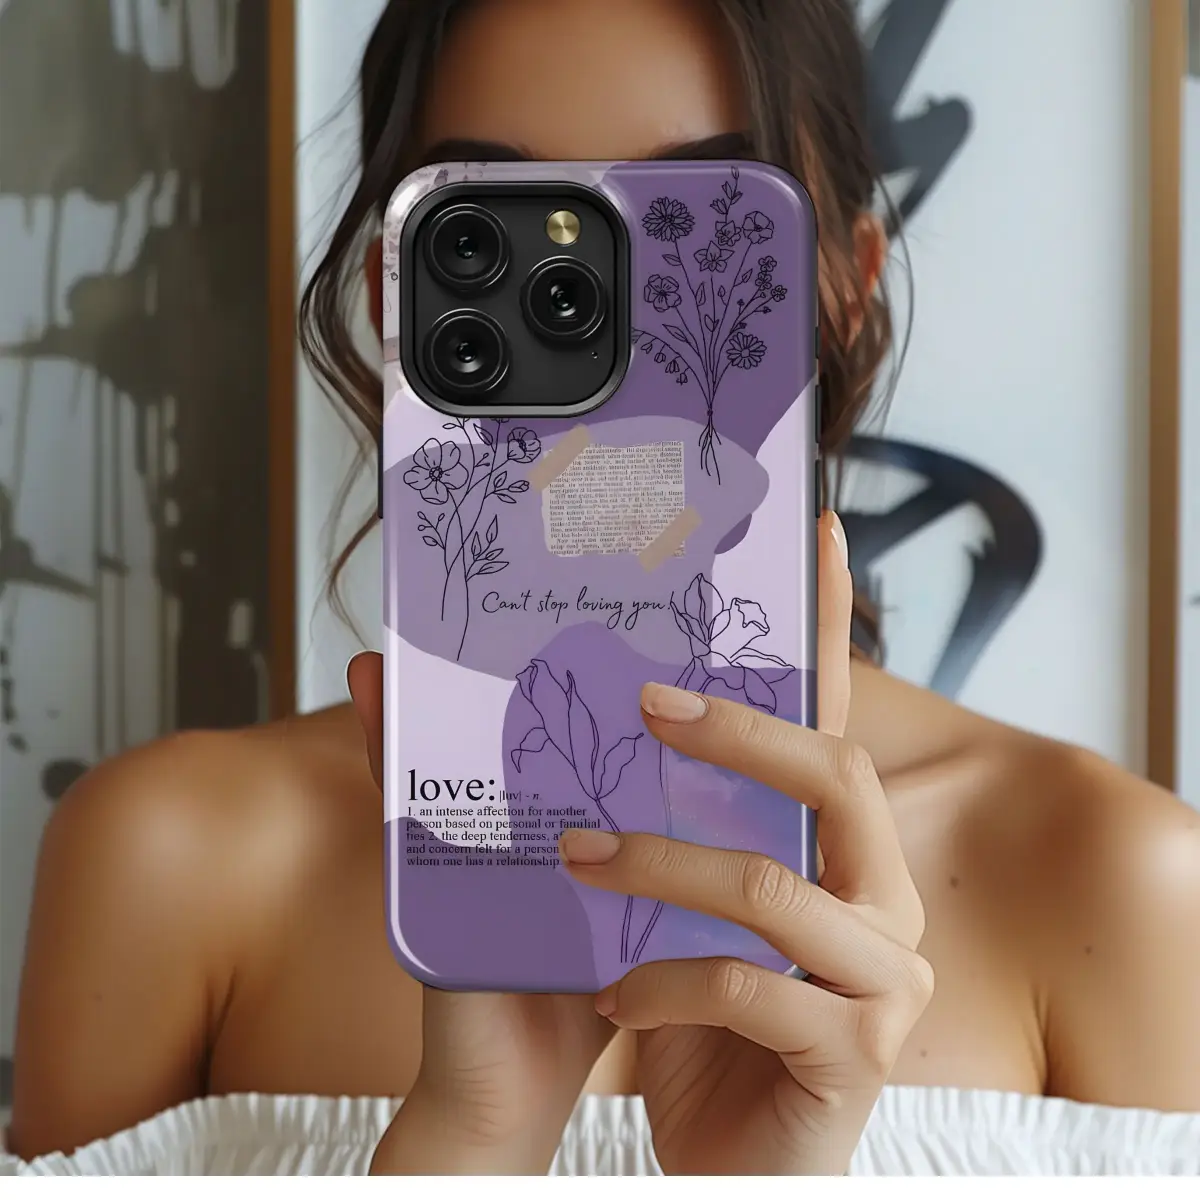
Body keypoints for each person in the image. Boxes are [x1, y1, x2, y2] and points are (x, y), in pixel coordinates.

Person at [7, 0, 1200, 1177]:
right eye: (494, 230)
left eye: (697, 218)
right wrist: (475, 1140)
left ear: (846, 287)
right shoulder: (170, 863)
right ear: (393, 295)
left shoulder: (1116, 883)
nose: (603, 315)